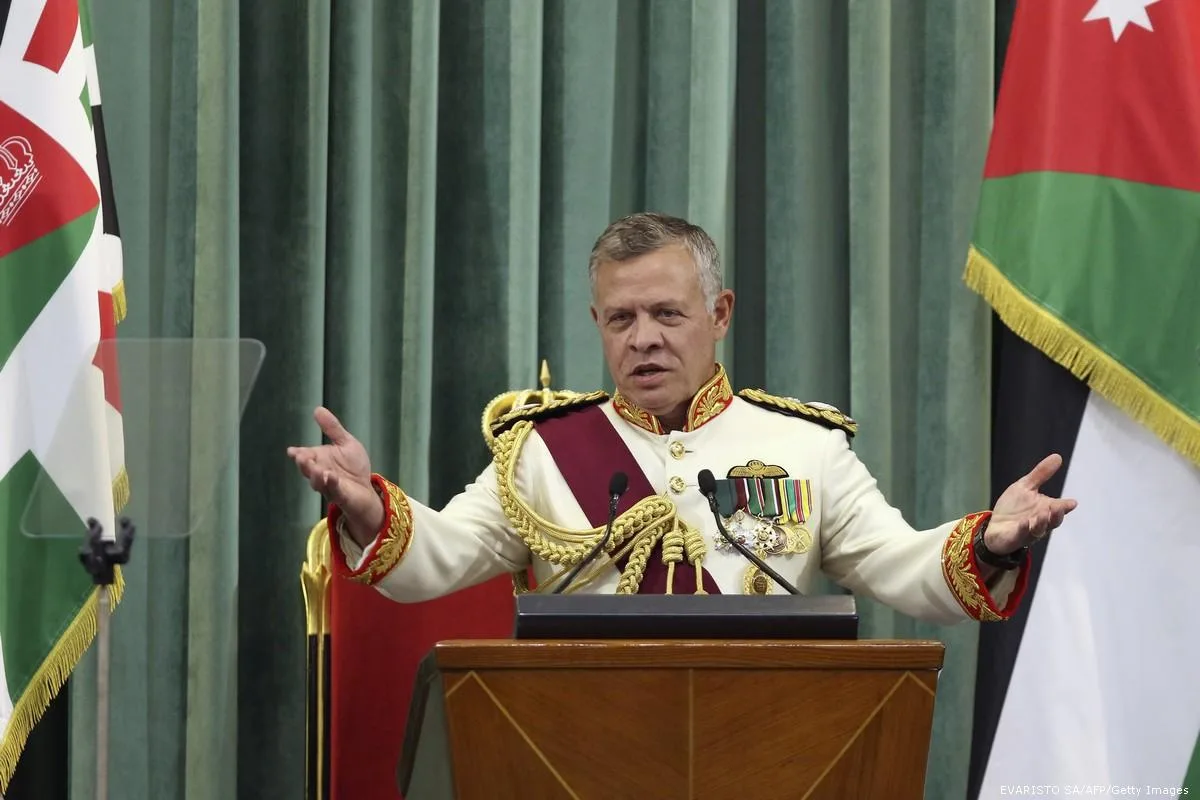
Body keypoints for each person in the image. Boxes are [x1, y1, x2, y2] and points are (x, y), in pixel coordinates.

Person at [287, 212, 1075, 623]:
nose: (644, 339)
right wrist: (365, 503)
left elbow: (901, 566)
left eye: (666, 313)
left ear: (719, 312)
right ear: (597, 322)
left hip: (762, 742)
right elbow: (439, 558)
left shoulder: (801, 446)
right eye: (621, 319)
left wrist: (991, 539)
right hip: (578, 745)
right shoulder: (543, 452)